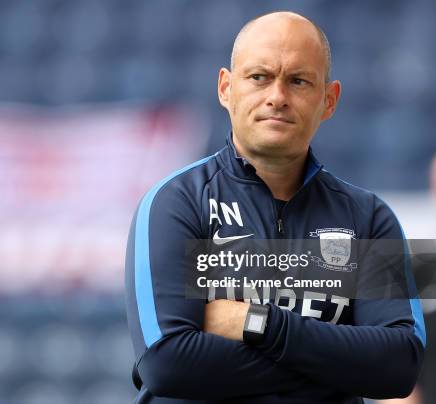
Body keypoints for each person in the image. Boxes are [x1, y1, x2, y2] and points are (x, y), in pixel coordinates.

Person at [125, 11, 426, 404]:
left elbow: (399, 365)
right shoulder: (172, 202)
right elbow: (166, 364)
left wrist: (260, 325)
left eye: (298, 80)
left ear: (329, 99)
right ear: (225, 88)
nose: (277, 97)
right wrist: (335, 366)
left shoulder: (371, 217)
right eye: (259, 77)